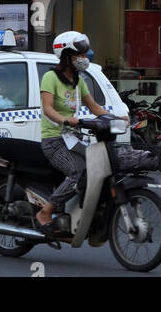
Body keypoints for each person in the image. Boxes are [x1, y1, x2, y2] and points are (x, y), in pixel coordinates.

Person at [35, 31, 112, 228]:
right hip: (53, 140)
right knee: (77, 171)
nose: (84, 59)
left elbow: (94, 106)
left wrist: (117, 118)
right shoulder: (50, 77)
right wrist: (65, 120)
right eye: (80, 55)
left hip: (73, 139)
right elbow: (48, 108)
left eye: (85, 55)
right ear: (66, 56)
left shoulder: (79, 81)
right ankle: (46, 212)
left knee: (100, 167)